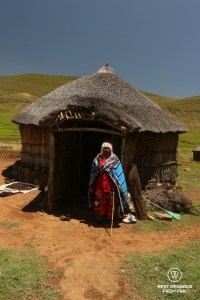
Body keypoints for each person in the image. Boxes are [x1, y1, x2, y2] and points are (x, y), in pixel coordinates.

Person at [88, 142, 130, 221]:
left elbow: (119, 172)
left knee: (110, 200)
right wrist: (100, 169)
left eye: (108, 148)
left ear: (111, 149)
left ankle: (109, 216)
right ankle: (99, 216)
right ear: (102, 149)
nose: (106, 150)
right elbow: (93, 171)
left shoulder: (115, 159)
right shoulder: (97, 158)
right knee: (99, 199)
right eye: (105, 148)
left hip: (111, 184)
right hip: (99, 184)